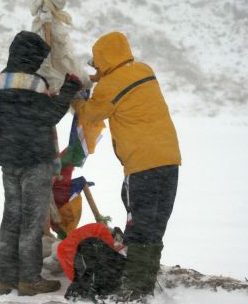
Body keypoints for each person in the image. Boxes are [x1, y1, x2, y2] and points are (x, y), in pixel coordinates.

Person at [73, 31, 182, 301]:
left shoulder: (108, 87)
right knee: (156, 223)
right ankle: (145, 276)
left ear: (103, 59)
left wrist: (75, 98)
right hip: (170, 160)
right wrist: (100, 78)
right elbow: (120, 81)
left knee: (139, 225)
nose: (96, 69)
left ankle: (133, 288)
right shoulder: (144, 70)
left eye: (96, 64)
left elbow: (91, 113)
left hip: (142, 164)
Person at [0, 30, 83, 296]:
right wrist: (69, 88)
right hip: (35, 159)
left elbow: (21, 113)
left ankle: (5, 277)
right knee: (32, 219)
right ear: (31, 56)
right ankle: (30, 280)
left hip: (9, 158)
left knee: (11, 216)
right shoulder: (34, 82)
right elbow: (50, 115)